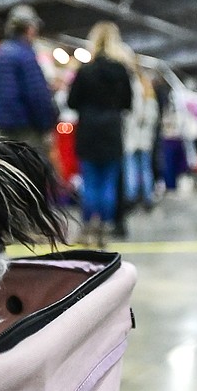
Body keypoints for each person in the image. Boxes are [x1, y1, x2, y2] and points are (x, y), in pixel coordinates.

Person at [67, 21, 134, 245]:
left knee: (90, 182)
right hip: (112, 130)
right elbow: (128, 102)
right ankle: (105, 225)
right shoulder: (121, 71)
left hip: (88, 129)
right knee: (108, 183)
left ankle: (88, 226)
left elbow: (72, 101)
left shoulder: (85, 70)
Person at [0, 4, 58, 160]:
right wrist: (47, 123)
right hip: (27, 131)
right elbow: (37, 95)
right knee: (32, 177)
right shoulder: (25, 55)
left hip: (3, 129)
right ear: (30, 28)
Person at [122, 65, 159, 212]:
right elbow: (153, 115)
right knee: (145, 167)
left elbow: (130, 113)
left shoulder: (133, 88)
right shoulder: (149, 93)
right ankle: (147, 197)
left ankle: (131, 196)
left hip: (132, 135)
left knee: (131, 166)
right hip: (144, 137)